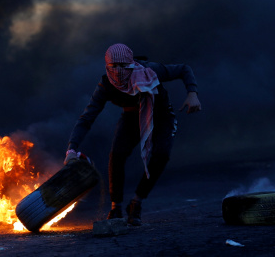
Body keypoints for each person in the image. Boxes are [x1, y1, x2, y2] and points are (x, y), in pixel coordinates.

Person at [64, 43, 201, 226]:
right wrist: (71, 149)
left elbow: (184, 69)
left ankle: (136, 202)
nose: (119, 71)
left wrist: (192, 93)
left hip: (160, 115)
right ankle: (116, 207)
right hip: (131, 117)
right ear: (107, 66)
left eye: (124, 66)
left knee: (161, 155)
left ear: (132, 63)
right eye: (114, 66)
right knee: (117, 155)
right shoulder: (106, 85)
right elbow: (87, 118)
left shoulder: (150, 71)